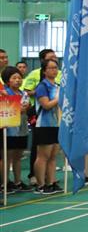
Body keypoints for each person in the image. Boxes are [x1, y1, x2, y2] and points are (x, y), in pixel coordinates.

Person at [33, 59, 63, 195]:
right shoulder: (42, 86)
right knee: (43, 156)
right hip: (44, 125)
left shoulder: (57, 86)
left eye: (55, 67)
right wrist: (59, 99)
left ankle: (51, 183)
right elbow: (46, 105)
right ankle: (41, 184)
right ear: (44, 71)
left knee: (53, 156)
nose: (54, 70)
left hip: (56, 124)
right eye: (50, 68)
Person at [2, 66, 31, 193]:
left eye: (19, 78)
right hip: (9, 130)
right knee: (7, 158)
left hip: (22, 128)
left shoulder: (24, 94)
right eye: (14, 78)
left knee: (18, 157)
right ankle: (4, 183)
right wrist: (18, 108)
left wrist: (27, 107)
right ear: (7, 81)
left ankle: (18, 182)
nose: (17, 80)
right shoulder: (5, 93)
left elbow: (27, 107)